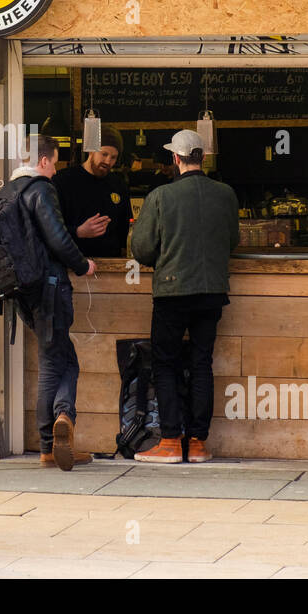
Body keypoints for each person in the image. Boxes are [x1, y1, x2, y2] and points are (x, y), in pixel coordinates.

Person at [129, 130, 240, 464]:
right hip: (212, 292)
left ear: (174, 159)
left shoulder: (161, 197)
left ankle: (171, 441)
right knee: (201, 362)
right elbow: (232, 240)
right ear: (202, 158)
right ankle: (199, 444)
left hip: (173, 291)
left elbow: (143, 250)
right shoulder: (226, 194)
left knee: (166, 363)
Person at [7, 135, 98, 470]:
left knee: (58, 356)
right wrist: (82, 264)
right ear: (44, 161)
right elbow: (58, 238)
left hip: (22, 291)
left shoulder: (8, 192)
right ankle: (56, 430)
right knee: (57, 362)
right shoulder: (41, 189)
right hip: (49, 287)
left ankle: (56, 434)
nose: (55, 169)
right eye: (55, 162)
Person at [52, 126, 131, 258]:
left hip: (110, 264)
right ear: (91, 151)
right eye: (104, 154)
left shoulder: (118, 185)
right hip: (72, 263)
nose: (108, 161)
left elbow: (124, 227)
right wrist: (78, 231)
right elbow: (49, 228)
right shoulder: (63, 181)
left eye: (113, 157)